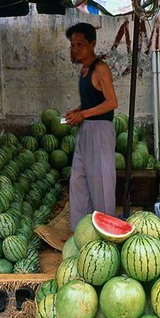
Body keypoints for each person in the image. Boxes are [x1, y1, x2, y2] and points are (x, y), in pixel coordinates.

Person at [65, 23, 118, 230]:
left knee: (101, 182)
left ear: (93, 44)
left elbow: (112, 102)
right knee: (79, 180)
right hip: (86, 129)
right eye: (72, 45)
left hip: (100, 131)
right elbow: (91, 101)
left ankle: (107, 231)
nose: (75, 49)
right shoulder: (84, 70)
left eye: (80, 44)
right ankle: (82, 230)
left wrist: (83, 114)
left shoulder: (100, 68)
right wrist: (76, 111)